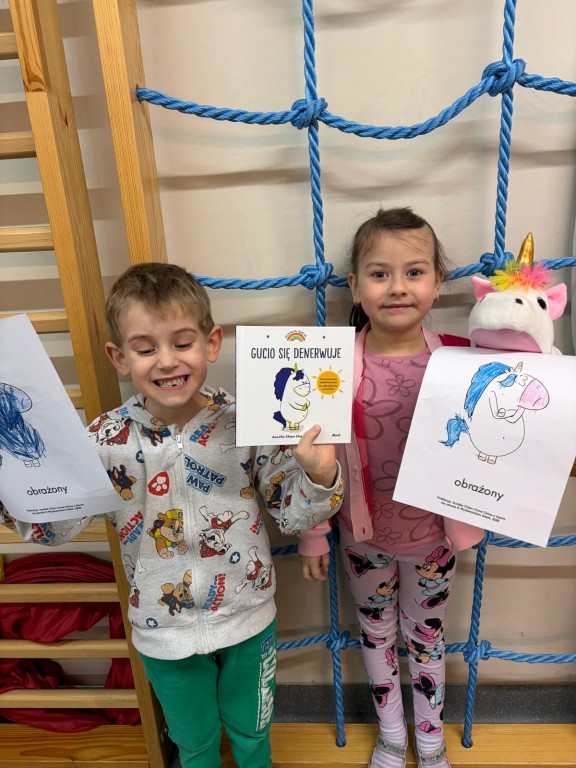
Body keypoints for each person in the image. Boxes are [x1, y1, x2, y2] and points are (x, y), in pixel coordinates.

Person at [2, 262, 343, 768]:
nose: (166, 361)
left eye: (182, 343)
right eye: (145, 349)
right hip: (162, 631)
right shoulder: (104, 440)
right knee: (194, 744)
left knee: (253, 737)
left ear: (211, 343)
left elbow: (292, 514)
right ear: (120, 358)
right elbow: (53, 527)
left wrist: (319, 473)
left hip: (248, 620)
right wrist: (13, 492)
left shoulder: (246, 422)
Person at [298, 208, 484, 768]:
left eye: (414, 272)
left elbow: (519, 397)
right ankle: (392, 736)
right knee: (375, 635)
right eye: (380, 274)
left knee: (426, 639)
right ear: (355, 286)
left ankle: (429, 741)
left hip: (433, 539)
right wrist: (313, 532)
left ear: (438, 282)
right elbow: (310, 449)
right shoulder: (330, 364)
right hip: (362, 538)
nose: (398, 287)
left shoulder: (460, 358)